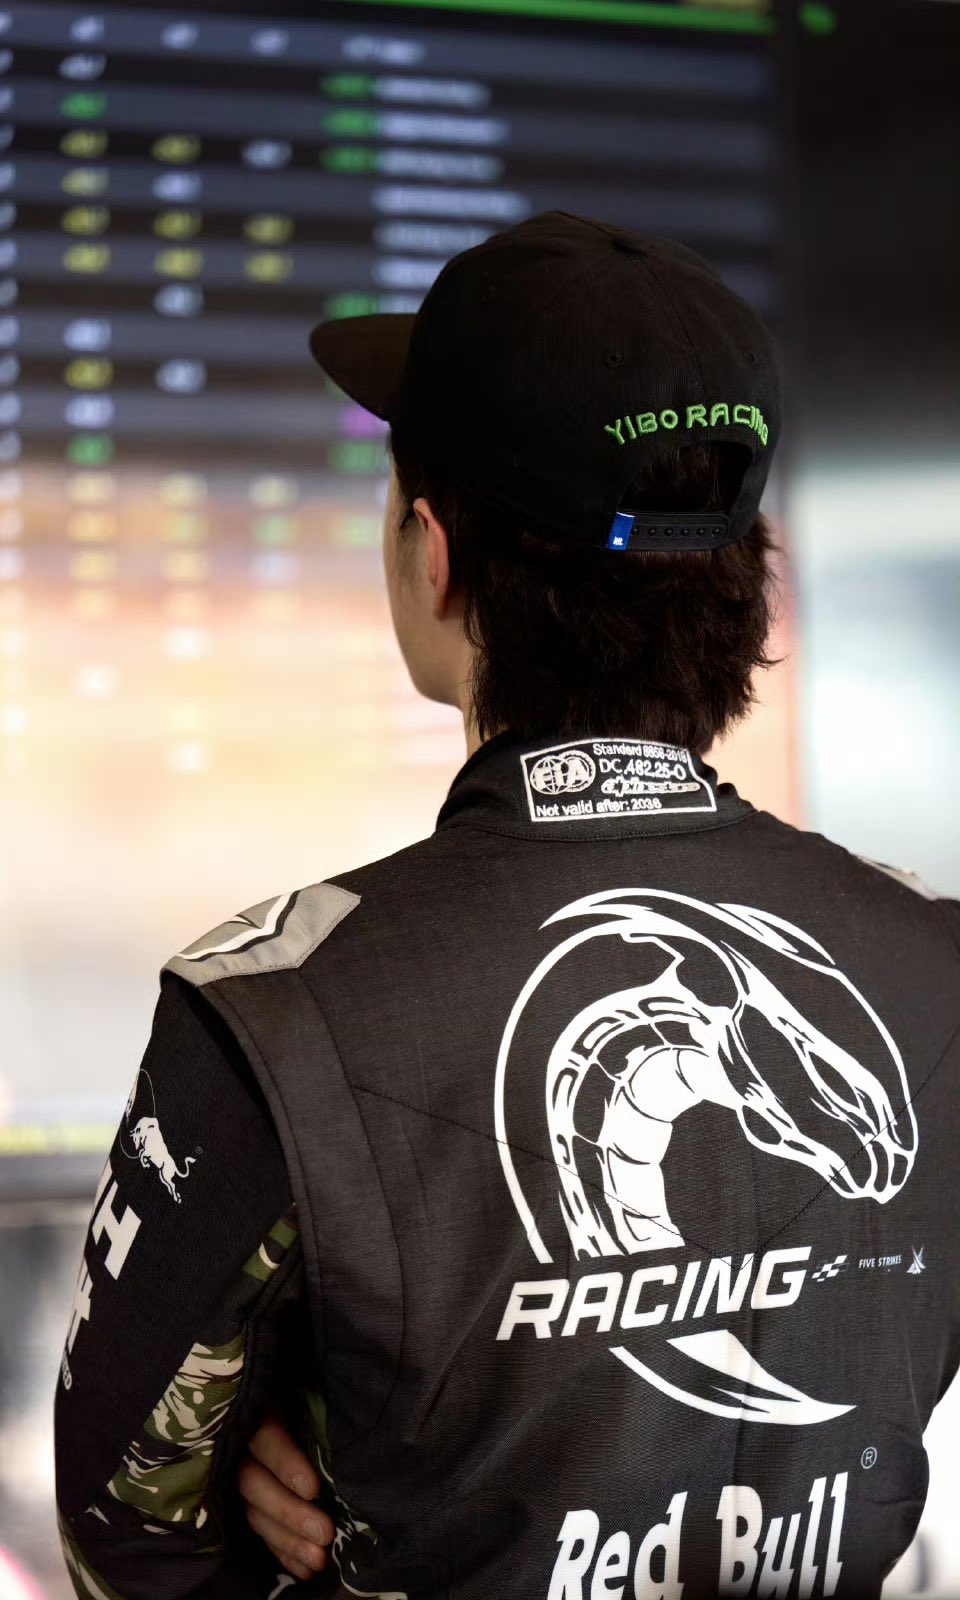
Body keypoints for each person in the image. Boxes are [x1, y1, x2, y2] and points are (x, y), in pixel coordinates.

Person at [53, 211, 960, 1600]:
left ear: (434, 553)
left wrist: (281, 1475)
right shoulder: (932, 958)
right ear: (742, 572)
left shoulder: (278, 1014)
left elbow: (126, 1536)